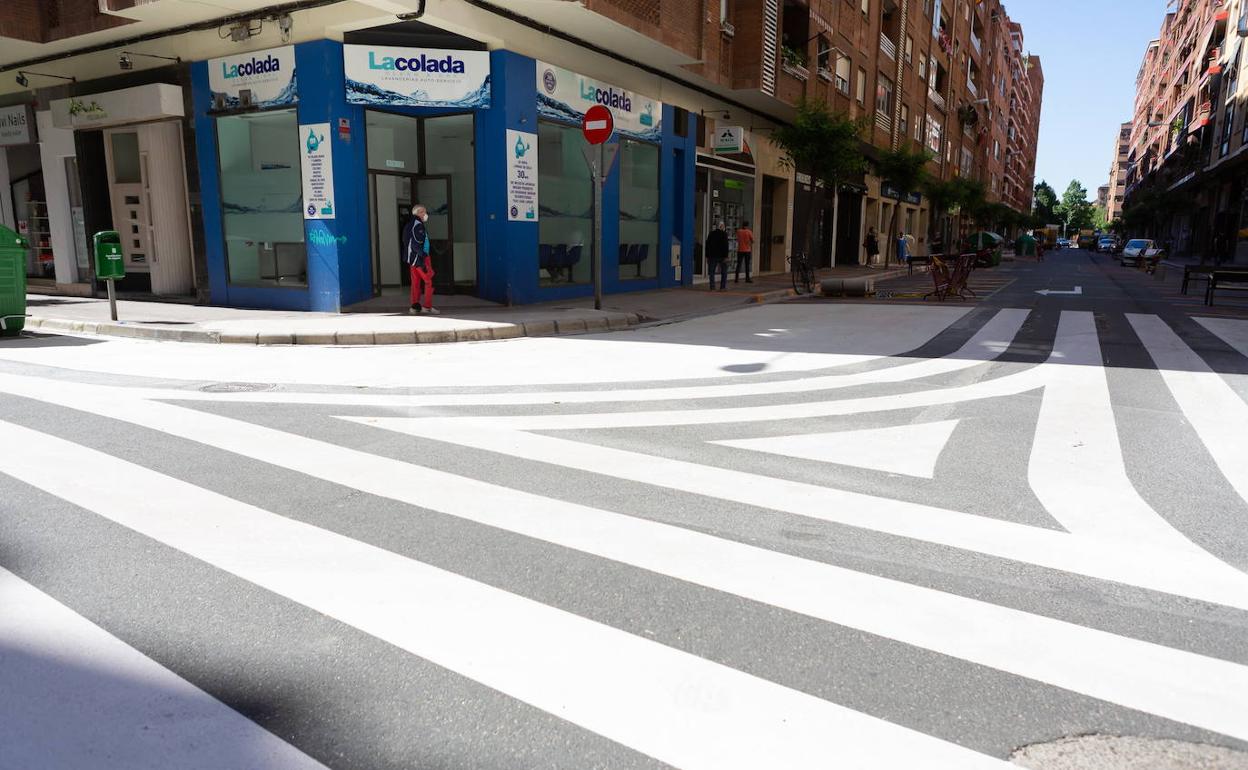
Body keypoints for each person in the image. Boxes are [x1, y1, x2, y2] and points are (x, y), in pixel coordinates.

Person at [402, 204, 439, 315]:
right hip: (421, 259)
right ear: (417, 213)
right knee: (429, 281)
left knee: (415, 283)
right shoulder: (418, 225)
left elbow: (407, 242)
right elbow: (416, 244)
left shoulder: (409, 225)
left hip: (412, 259)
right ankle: (427, 306)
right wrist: (423, 256)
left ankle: (415, 306)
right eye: (423, 212)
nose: (425, 214)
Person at [705, 221, 729, 291]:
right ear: (721, 226)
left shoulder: (711, 234)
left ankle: (712, 287)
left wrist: (707, 256)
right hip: (722, 256)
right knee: (724, 272)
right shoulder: (724, 234)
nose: (724, 227)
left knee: (712, 272)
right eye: (723, 226)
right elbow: (725, 246)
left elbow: (707, 245)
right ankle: (722, 287)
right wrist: (726, 256)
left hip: (712, 256)